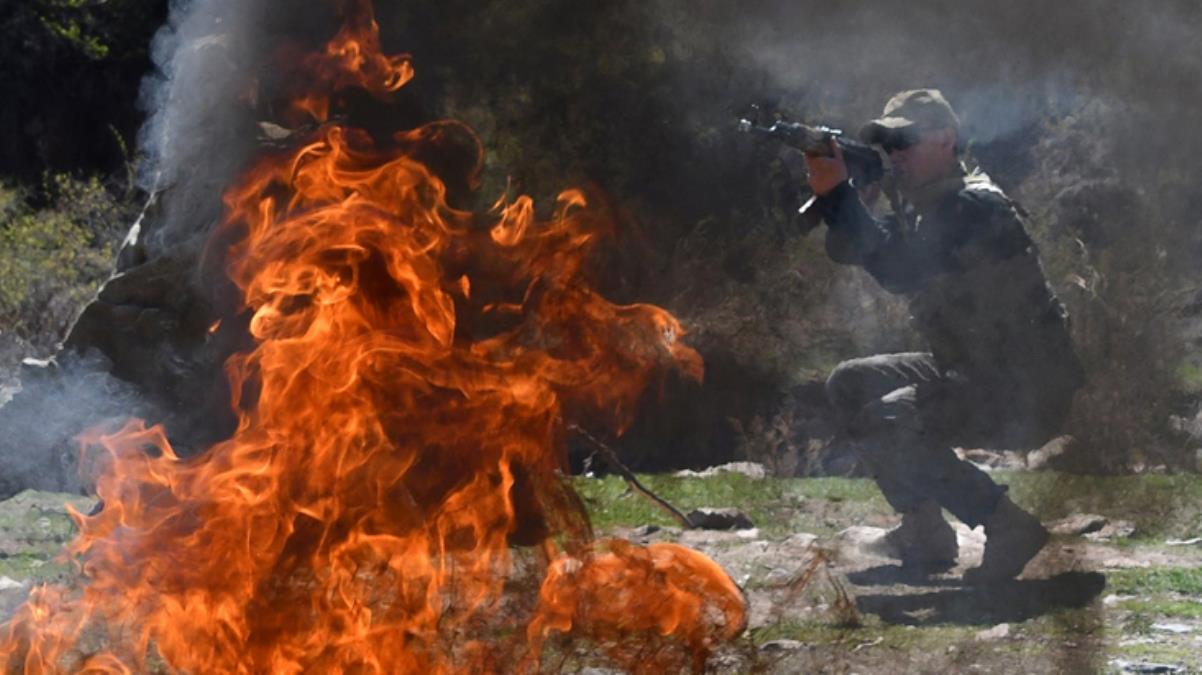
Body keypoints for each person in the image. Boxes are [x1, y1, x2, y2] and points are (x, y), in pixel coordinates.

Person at [805, 89, 1084, 583]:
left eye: (905, 140)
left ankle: (1006, 525)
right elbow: (849, 250)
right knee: (852, 382)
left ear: (946, 139)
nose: (896, 154)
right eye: (888, 146)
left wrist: (844, 196)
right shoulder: (927, 207)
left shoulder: (972, 205)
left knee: (891, 418)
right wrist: (846, 195)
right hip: (977, 370)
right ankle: (925, 533)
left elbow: (898, 271)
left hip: (1026, 388)